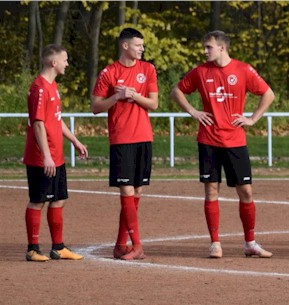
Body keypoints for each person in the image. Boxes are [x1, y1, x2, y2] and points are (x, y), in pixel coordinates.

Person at [170, 31, 274, 259]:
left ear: (222, 48)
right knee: (211, 190)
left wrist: (253, 118)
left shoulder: (243, 70)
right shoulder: (200, 71)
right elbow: (176, 91)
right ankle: (215, 243)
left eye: (208, 47)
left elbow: (268, 94)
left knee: (246, 191)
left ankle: (250, 243)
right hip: (208, 140)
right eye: (205, 47)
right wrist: (193, 111)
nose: (204, 51)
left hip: (235, 141)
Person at [91, 28, 158, 260]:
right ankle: (137, 245)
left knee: (136, 191)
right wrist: (117, 97)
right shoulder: (109, 72)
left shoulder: (148, 69)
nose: (142, 49)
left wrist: (133, 95)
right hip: (122, 138)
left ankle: (121, 244)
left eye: (142, 45)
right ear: (125, 46)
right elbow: (95, 107)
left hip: (144, 137)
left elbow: (154, 104)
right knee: (127, 190)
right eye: (138, 45)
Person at [23, 44, 89, 262]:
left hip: (56, 155)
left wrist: (75, 141)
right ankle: (33, 249)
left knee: (59, 199)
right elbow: (38, 124)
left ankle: (58, 247)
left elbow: (56, 120)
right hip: (42, 157)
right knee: (38, 201)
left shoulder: (53, 86)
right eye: (65, 60)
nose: (67, 64)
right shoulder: (39, 88)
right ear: (53, 62)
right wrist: (46, 156)